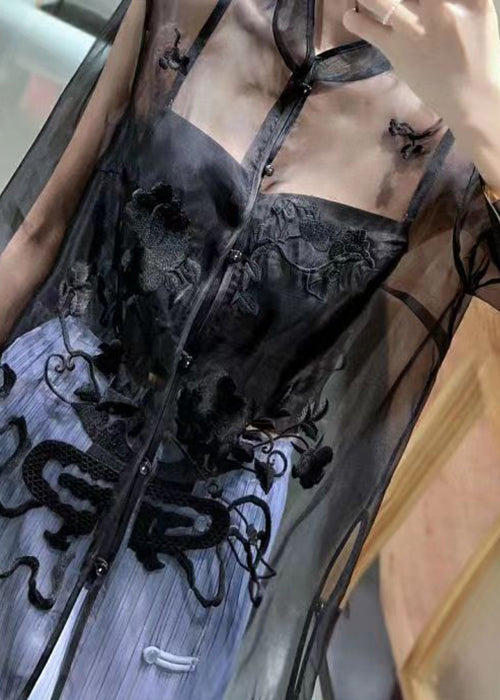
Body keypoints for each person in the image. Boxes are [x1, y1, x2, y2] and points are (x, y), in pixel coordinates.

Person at [0, 1, 499, 699]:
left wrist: (485, 118)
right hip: (38, 433)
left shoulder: (456, 145)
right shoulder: (192, 7)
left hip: (193, 540)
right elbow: (39, 233)